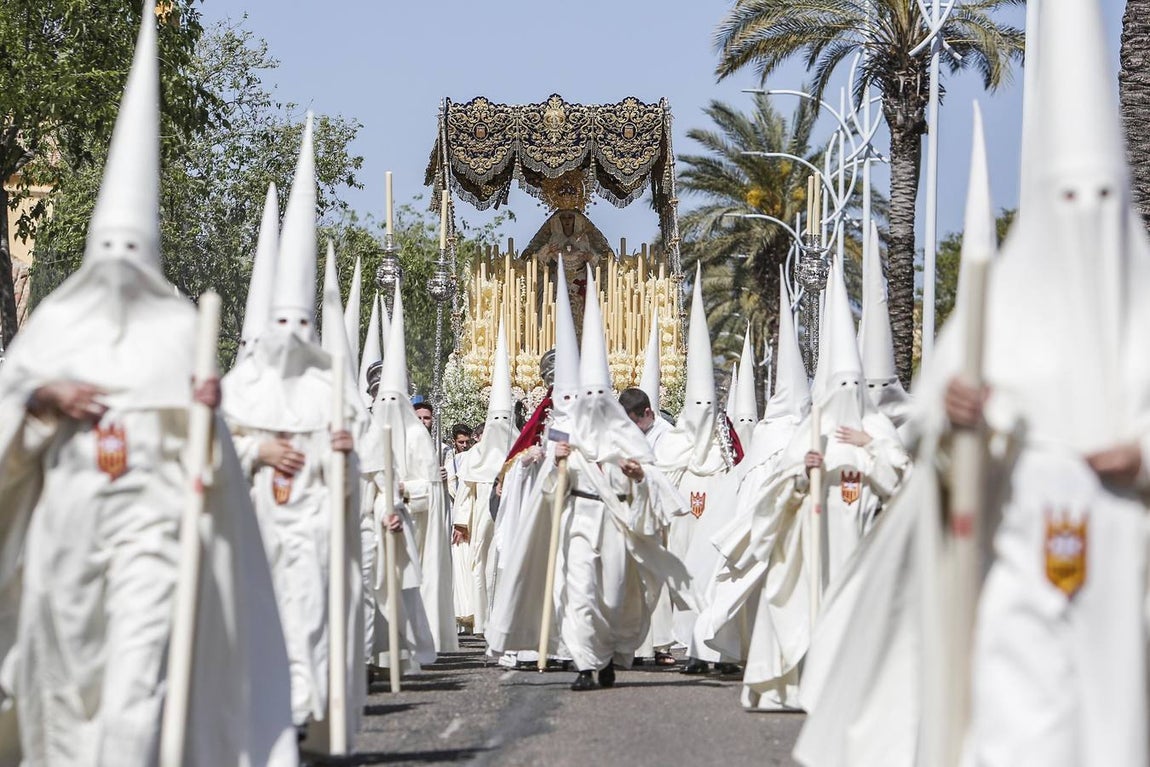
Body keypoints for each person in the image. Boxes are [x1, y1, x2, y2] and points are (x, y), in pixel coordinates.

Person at [0, 11, 297, 764]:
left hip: (149, 534)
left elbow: (213, 465)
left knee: (137, 691)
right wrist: (42, 402)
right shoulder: (53, 330)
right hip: (67, 533)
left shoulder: (176, 332)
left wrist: (207, 421)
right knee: (64, 695)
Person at [221, 115, 364, 739]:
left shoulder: (328, 390)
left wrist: (344, 454)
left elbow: (353, 477)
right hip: (248, 528)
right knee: (253, 623)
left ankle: (300, 715)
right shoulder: (237, 391)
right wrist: (257, 448)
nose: (290, 339)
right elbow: (206, 450)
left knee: (305, 619)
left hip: (308, 527)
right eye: (281, 326)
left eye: (300, 326)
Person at [451, 322, 519, 636]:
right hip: (481, 520)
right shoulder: (475, 458)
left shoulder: (520, 450)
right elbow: (465, 493)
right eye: (496, 419)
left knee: (508, 563)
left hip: (513, 517)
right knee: (482, 564)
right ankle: (483, 619)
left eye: (506, 419)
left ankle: (508, 618)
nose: (501, 425)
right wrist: (461, 522)